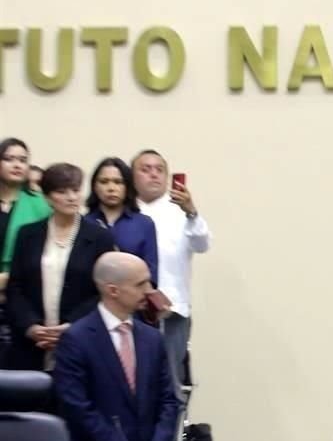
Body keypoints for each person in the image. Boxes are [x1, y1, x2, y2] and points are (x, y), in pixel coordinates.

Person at [53, 252, 179, 441]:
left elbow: (169, 400)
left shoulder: (152, 339)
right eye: (140, 284)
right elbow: (78, 409)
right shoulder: (76, 339)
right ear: (113, 290)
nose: (149, 290)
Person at [5, 164, 115, 371]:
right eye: (62, 192)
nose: (71, 197)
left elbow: (103, 291)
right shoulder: (28, 235)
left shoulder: (100, 237)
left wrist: (71, 326)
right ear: (47, 198)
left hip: (81, 339)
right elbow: (16, 287)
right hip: (31, 343)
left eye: (75, 190)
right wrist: (31, 327)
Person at [132, 150, 210, 389]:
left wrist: (191, 212)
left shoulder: (181, 210)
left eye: (159, 169)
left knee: (169, 384)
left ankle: (169, 428)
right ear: (132, 176)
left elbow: (202, 244)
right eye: (145, 169)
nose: (153, 175)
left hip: (172, 310)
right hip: (130, 310)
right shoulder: (125, 210)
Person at [0, 139, 50, 367]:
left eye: (22, 160)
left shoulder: (40, 204)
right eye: (9, 159)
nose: (17, 165)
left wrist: (6, 280)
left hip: (24, 295)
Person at [84, 157, 159, 286]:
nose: (111, 188)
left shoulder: (144, 224)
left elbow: (151, 274)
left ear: (127, 187)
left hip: (133, 300)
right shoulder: (84, 223)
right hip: (92, 301)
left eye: (118, 182)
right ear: (94, 187)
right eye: (104, 182)